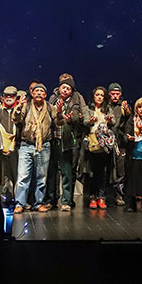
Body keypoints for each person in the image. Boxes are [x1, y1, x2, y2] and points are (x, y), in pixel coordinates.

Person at [12, 83, 53, 213]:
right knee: (23, 176)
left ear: (45, 95)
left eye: (42, 91)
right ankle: (19, 203)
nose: (39, 93)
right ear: (32, 94)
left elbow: (58, 123)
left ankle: (39, 203)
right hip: (27, 144)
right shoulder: (27, 106)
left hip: (44, 145)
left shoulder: (50, 108)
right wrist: (19, 106)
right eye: (37, 91)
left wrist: (60, 114)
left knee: (41, 177)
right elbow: (16, 119)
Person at [49, 73, 86, 211]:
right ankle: (51, 200)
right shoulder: (53, 98)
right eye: (63, 87)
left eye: (68, 88)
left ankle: (66, 200)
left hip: (67, 140)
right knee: (52, 172)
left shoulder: (75, 100)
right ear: (59, 88)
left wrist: (69, 118)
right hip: (53, 139)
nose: (65, 90)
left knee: (67, 172)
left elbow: (77, 117)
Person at [83, 86, 119, 210]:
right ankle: (92, 197)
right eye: (97, 94)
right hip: (93, 141)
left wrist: (109, 120)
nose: (99, 97)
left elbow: (113, 122)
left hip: (105, 143)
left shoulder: (107, 108)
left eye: (101, 95)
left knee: (103, 172)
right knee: (92, 171)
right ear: (93, 96)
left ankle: (101, 197)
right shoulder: (87, 108)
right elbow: (85, 122)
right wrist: (91, 121)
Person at [106, 83, 130, 205]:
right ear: (109, 94)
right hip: (106, 143)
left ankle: (119, 195)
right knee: (107, 169)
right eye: (113, 94)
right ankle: (104, 196)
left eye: (117, 94)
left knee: (121, 170)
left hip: (120, 143)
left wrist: (126, 111)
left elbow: (128, 119)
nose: (115, 96)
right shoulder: (105, 105)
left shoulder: (124, 106)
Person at [0, 85, 20, 203]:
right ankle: (4, 198)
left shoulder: (20, 109)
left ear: (16, 97)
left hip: (17, 146)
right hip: (1, 146)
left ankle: (18, 199)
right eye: (6, 95)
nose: (9, 98)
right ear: (2, 97)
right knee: (3, 174)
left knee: (17, 174)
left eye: (12, 96)